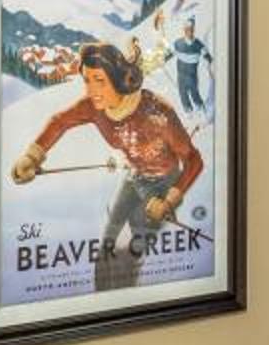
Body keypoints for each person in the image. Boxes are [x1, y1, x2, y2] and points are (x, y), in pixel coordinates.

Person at [11, 42, 205, 292]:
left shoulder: (158, 113)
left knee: (136, 246)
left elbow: (193, 160)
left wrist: (168, 201)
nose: (92, 90)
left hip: (164, 182)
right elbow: (59, 122)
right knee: (108, 240)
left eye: (99, 80)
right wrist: (32, 156)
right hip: (135, 177)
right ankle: (101, 295)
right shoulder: (94, 107)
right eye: (87, 80)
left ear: (119, 79)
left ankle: (129, 300)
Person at [169, 16, 210, 117]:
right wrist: (164, 59)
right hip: (181, 75)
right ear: (184, 30)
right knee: (182, 92)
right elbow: (170, 53)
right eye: (187, 30)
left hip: (192, 75)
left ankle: (200, 106)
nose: (189, 32)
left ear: (193, 30)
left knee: (194, 91)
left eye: (191, 30)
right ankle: (188, 110)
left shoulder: (198, 44)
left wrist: (210, 60)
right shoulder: (178, 43)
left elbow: (207, 55)